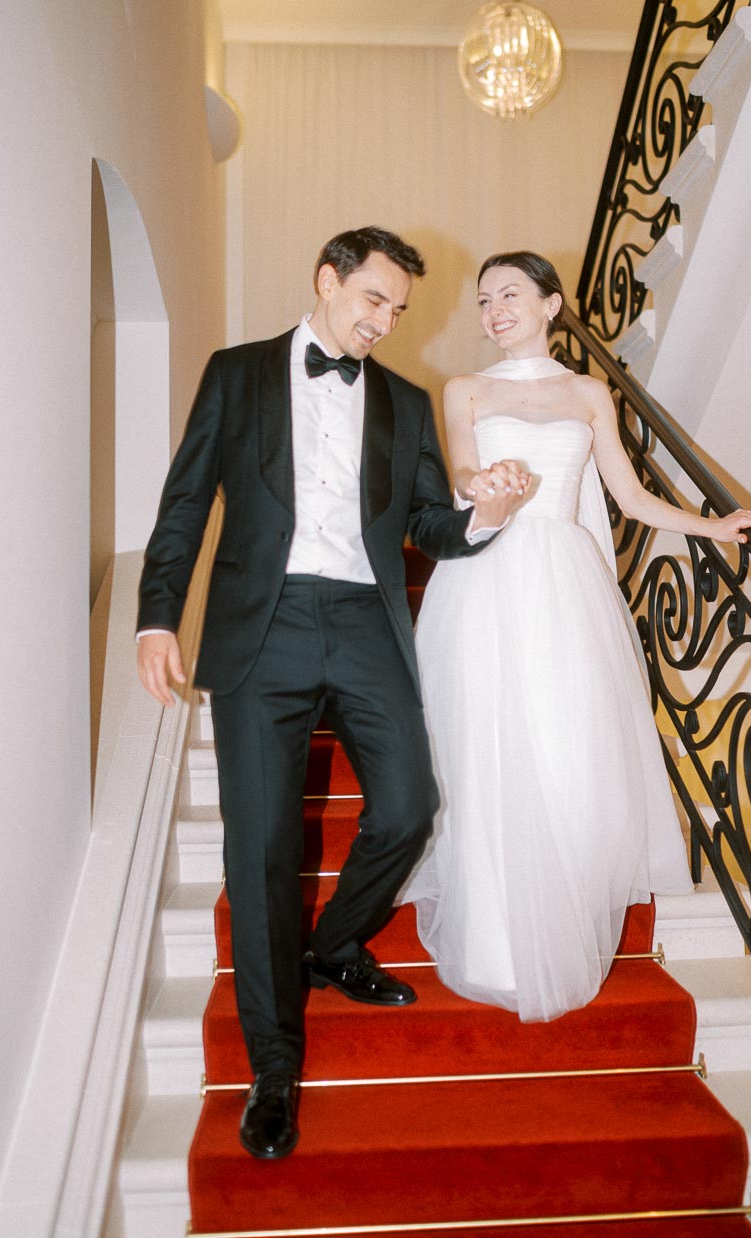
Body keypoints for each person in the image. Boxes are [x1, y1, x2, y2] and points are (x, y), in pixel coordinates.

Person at [136, 227, 526, 1159]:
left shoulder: (404, 401)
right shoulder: (236, 374)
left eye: (398, 310)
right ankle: (274, 1069)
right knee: (262, 852)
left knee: (408, 806)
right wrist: (156, 617)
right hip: (260, 628)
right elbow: (185, 501)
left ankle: (335, 944)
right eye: (373, 300)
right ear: (327, 279)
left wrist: (486, 517)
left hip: (363, 625)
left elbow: (428, 524)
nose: (385, 322)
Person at [406, 251, 751, 1023]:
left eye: (510, 293)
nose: (495, 309)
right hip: (486, 577)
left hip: (566, 587)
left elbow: (629, 498)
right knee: (485, 750)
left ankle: (556, 930)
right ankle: (494, 943)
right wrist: (484, 487)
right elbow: (462, 472)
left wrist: (712, 526)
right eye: (484, 300)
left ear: (551, 303)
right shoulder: (464, 388)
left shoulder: (588, 392)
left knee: (565, 752)